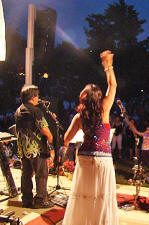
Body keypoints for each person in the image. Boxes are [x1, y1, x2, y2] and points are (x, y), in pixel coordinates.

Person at [62, 50, 118, 225]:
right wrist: (108, 66)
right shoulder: (104, 109)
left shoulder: (79, 117)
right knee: (101, 196)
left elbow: (66, 139)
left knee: (83, 196)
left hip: (85, 157)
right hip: (102, 158)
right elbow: (113, 86)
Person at [15, 85, 55, 208]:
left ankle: (26, 200)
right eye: (37, 96)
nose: (38, 98)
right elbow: (45, 130)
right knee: (41, 174)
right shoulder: (35, 111)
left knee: (26, 175)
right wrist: (50, 139)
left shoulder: (18, 111)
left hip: (23, 149)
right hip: (36, 149)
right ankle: (41, 200)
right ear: (32, 97)